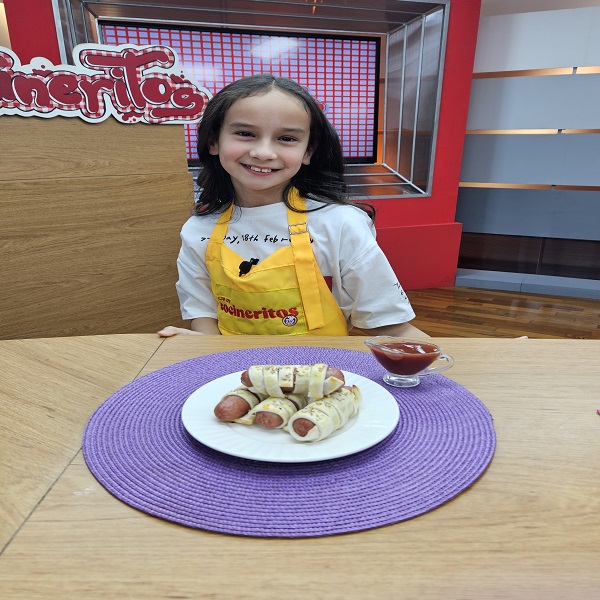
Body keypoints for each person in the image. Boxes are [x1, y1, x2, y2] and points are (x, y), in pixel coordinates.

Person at [158, 74, 428, 338]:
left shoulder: (341, 224)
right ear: (214, 141)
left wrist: (441, 361)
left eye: (287, 138)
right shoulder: (198, 230)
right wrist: (197, 344)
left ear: (308, 151)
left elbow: (391, 327)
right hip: (235, 367)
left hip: (321, 367)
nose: (264, 153)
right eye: (245, 133)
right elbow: (204, 319)